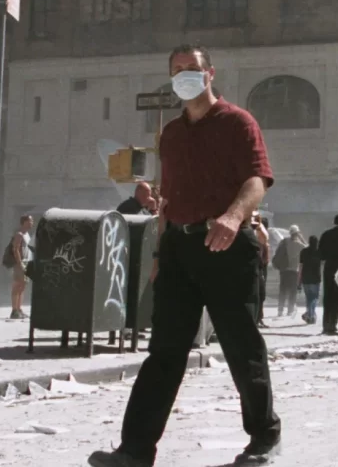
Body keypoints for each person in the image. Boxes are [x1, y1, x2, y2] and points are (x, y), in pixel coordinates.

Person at [90, 46, 280, 467]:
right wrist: (160, 253)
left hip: (228, 245)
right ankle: (135, 450)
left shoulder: (238, 122)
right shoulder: (172, 134)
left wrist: (233, 217)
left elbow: (258, 179)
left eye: (192, 69)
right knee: (164, 350)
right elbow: (168, 199)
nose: (184, 76)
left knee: (240, 344)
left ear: (209, 73)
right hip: (179, 248)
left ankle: (264, 437)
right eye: (176, 70)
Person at [6, 214, 35, 320]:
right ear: (24, 222)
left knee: (22, 287)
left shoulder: (27, 234)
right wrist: (19, 263)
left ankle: (19, 309)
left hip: (27, 263)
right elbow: (16, 249)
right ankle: (14, 310)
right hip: (20, 264)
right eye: (30, 221)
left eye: (32, 221)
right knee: (17, 286)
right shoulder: (19, 234)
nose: (32, 223)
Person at [276, 226, 306, 317]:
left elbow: (277, 252)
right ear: (297, 233)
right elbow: (307, 248)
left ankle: (280, 310)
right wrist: (302, 238)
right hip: (294, 271)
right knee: (292, 291)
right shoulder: (299, 245)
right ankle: (290, 310)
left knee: (282, 291)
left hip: (283, 270)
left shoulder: (284, 241)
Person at [299, 235, 323, 325]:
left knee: (309, 298)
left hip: (305, 278)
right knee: (314, 298)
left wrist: (299, 281)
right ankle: (311, 314)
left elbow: (300, 267)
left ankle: (309, 314)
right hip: (316, 278)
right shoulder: (319, 252)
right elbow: (323, 263)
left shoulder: (303, 252)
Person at [252, 214, 271, 328]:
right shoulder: (258, 239)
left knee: (261, 295)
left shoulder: (263, 239)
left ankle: (258, 318)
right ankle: (257, 318)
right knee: (259, 294)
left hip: (262, 268)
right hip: (260, 268)